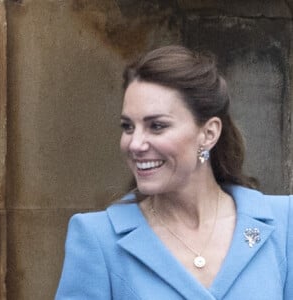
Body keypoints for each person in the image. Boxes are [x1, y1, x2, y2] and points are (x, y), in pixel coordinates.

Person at [55, 45, 292, 299]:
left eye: (156, 126)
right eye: (128, 127)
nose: (135, 144)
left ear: (209, 133)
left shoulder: (284, 223)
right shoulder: (98, 239)